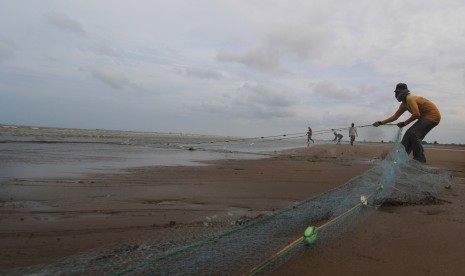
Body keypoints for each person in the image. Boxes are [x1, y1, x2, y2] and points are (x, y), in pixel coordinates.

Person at [373, 83, 441, 163]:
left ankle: (419, 158)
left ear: (402, 92)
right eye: (395, 93)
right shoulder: (403, 105)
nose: (395, 95)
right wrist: (381, 122)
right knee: (407, 135)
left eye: (397, 93)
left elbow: (416, 114)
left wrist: (404, 123)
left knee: (414, 134)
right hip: (423, 118)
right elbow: (395, 116)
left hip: (432, 117)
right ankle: (401, 157)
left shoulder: (410, 98)